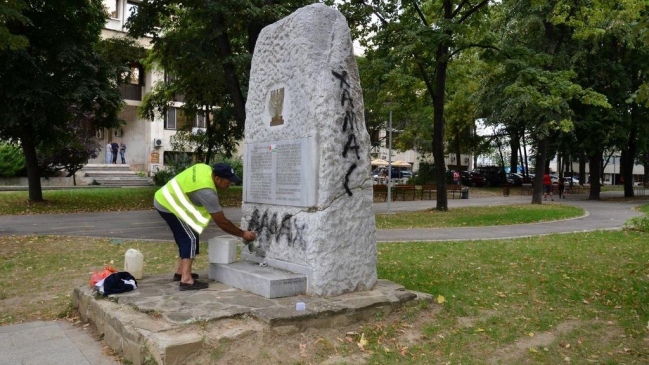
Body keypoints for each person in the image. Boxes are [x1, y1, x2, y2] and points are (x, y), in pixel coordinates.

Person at [154, 163, 257, 291]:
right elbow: (221, 222)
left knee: (191, 233)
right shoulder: (207, 192)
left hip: (170, 199)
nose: (230, 185)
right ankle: (186, 280)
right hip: (167, 204)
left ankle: (180, 272)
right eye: (228, 181)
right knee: (189, 238)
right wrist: (243, 234)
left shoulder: (205, 168)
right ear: (217, 178)